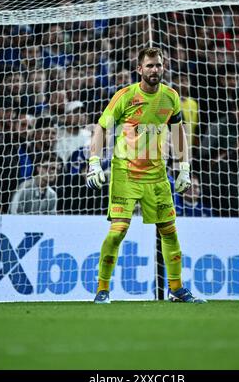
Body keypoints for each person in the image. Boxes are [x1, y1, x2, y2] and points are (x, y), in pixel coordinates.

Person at [86, 47, 207, 304]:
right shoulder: (126, 96)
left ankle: (176, 289)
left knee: (170, 231)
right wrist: (94, 162)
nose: (155, 70)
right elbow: (101, 127)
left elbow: (178, 132)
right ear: (139, 69)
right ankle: (102, 290)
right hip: (125, 174)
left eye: (158, 65)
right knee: (117, 232)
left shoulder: (171, 97)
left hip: (157, 175)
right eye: (150, 65)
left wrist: (184, 167)